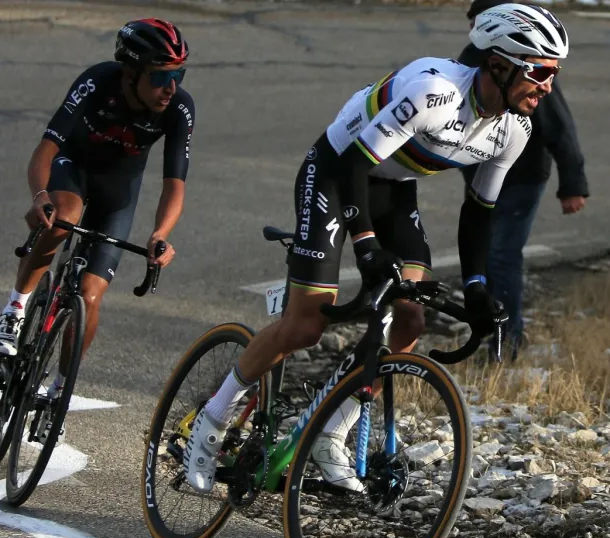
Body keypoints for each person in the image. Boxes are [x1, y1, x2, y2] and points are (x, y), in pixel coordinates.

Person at [183, 3, 570, 494]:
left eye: (554, 74)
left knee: (410, 316)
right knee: (304, 327)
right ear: (499, 63)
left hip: (394, 187)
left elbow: (478, 212)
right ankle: (212, 421)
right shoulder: (434, 93)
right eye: (540, 72)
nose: (548, 87)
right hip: (339, 173)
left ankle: (330, 432)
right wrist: (365, 245)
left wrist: (475, 286)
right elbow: (352, 167)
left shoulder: (514, 130)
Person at [0, 19, 195, 395]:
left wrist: (160, 235)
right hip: (73, 171)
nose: (171, 87)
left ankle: (60, 389)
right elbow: (46, 150)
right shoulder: (97, 82)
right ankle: (15, 311)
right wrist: (40, 197)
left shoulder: (178, 106)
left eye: (178, 74)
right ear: (131, 74)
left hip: (118, 194)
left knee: (90, 296)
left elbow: (174, 184)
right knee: (63, 219)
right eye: (160, 77)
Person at [457, 0, 589, 361]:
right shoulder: (472, 58)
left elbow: (558, 123)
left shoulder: (524, 60)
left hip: (522, 177)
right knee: (484, 255)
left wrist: (573, 182)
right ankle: (491, 327)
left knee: (501, 255)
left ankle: (508, 340)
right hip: (481, 175)